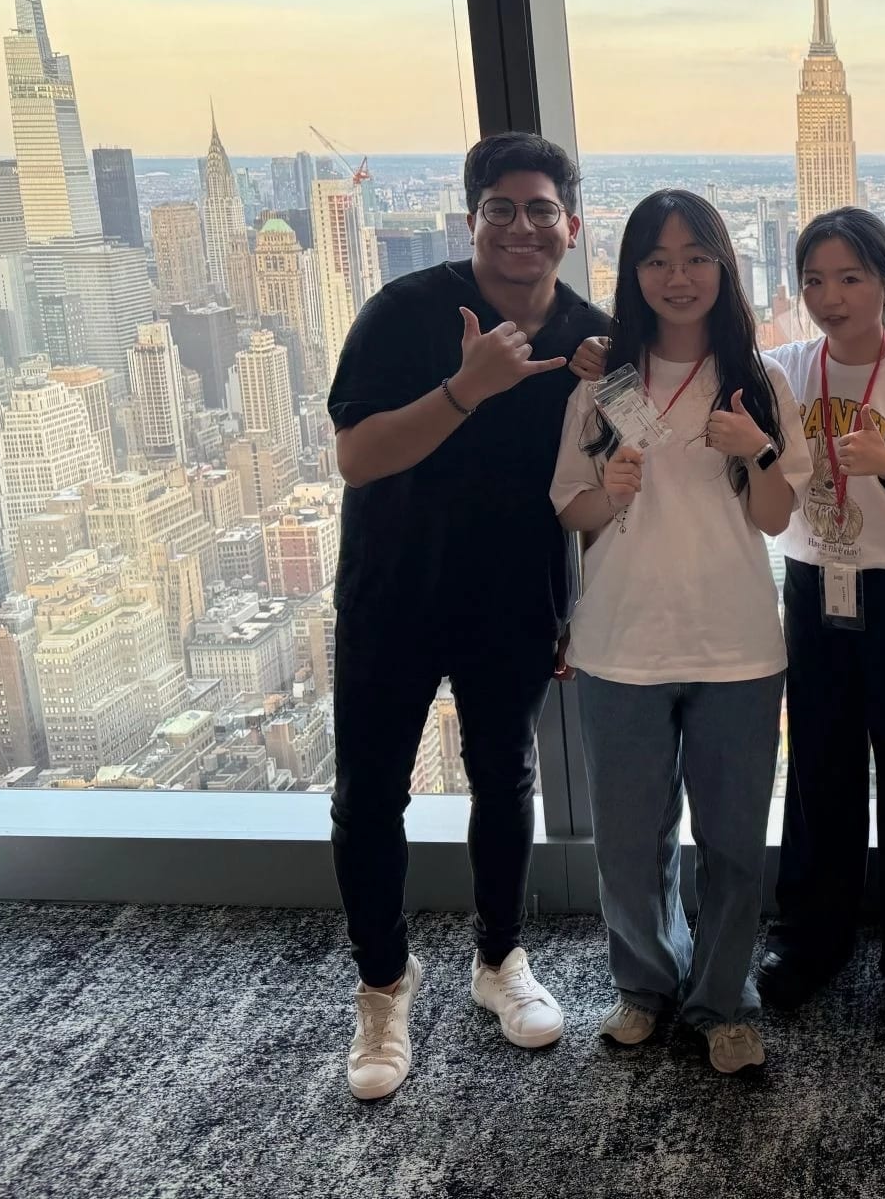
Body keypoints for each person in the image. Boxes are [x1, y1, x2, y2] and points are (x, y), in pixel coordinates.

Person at [329, 131, 608, 1101]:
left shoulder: (592, 337)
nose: (521, 227)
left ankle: (499, 959)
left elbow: (600, 485)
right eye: (501, 209)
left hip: (513, 601)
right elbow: (357, 456)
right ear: (471, 219)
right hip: (392, 593)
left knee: (505, 777)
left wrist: (581, 605)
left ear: (573, 226)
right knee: (370, 795)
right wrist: (466, 388)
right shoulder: (404, 311)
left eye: (541, 209)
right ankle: (382, 985)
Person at [550, 190, 810, 1076]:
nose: (678, 277)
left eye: (696, 257)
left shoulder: (759, 382)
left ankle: (723, 1000)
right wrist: (608, 492)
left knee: (733, 843)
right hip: (620, 642)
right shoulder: (603, 383)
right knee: (630, 841)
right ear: (632, 275)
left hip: (735, 644)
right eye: (657, 260)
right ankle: (645, 984)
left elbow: (775, 515)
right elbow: (572, 509)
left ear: (724, 268)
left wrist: (754, 447)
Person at [754, 208, 885, 1024]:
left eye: (850, 278)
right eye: (814, 280)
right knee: (818, 768)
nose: (831, 297)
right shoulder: (784, 371)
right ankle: (811, 937)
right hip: (814, 584)